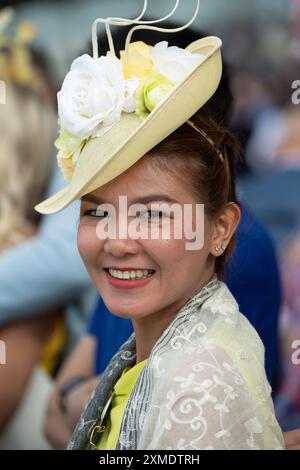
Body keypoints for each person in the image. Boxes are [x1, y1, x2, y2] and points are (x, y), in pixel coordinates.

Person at [36, 3, 285, 450]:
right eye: (96, 211)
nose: (118, 240)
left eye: (153, 214)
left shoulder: (196, 394)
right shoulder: (151, 331)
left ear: (221, 228)